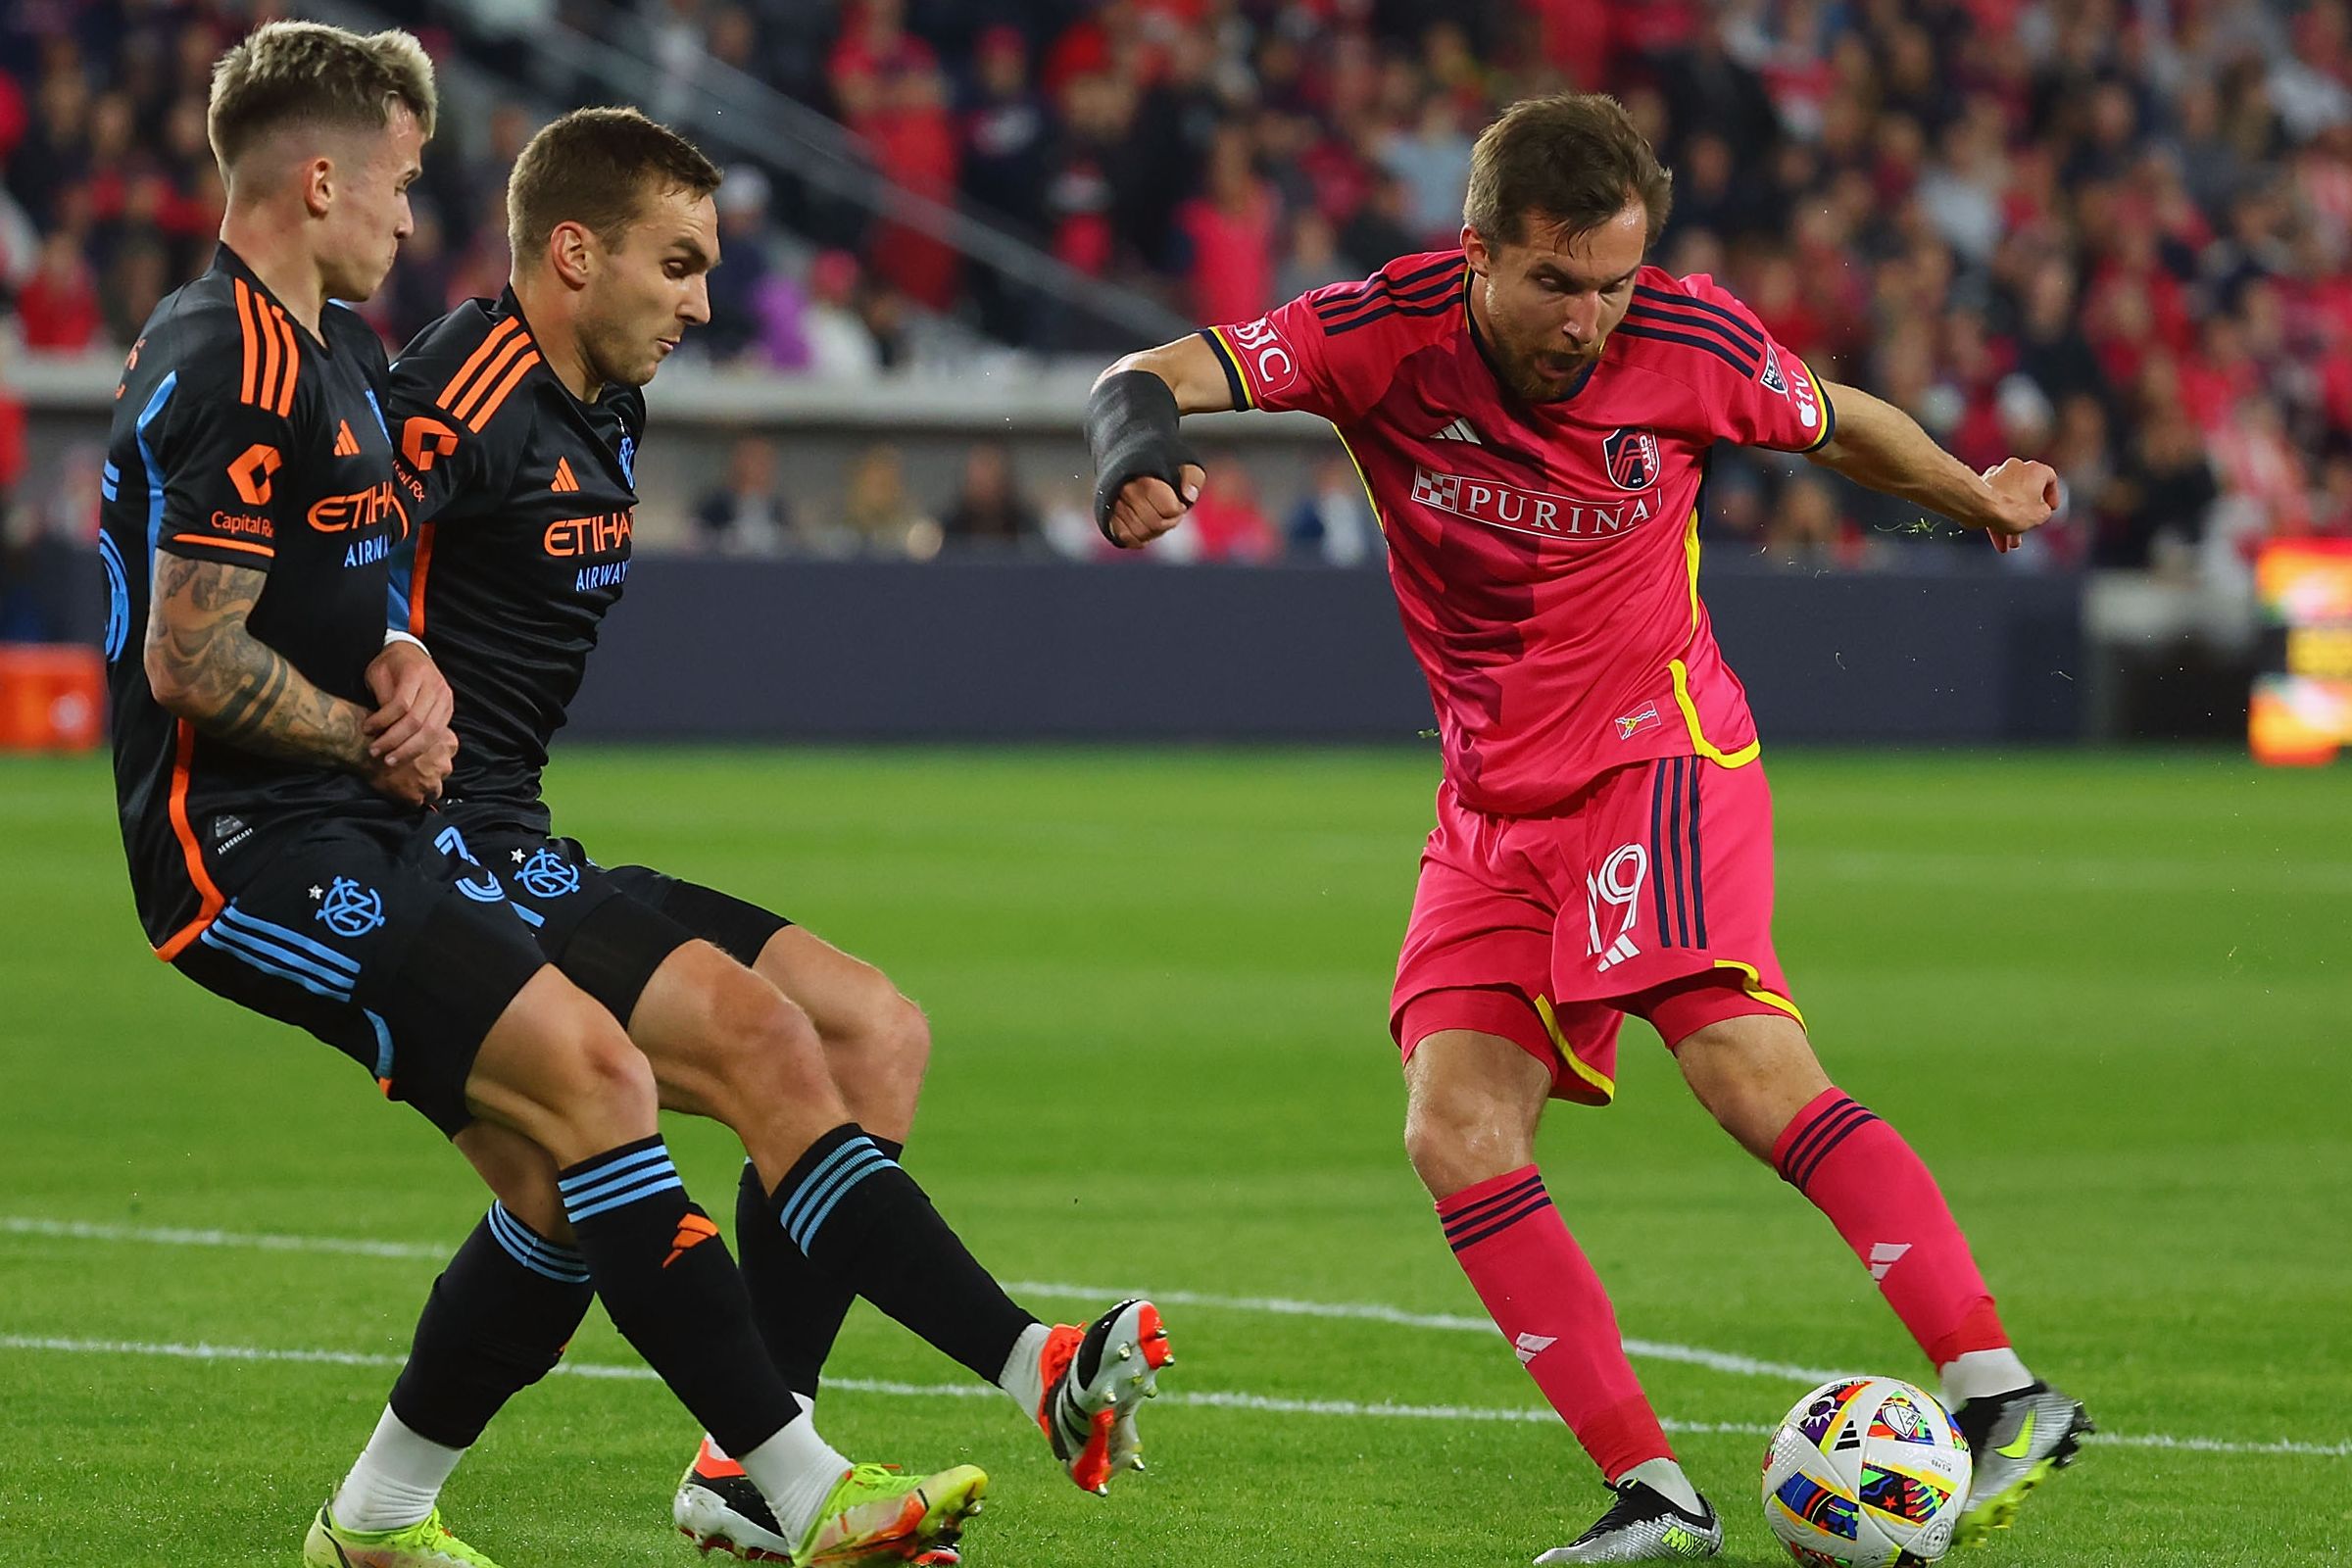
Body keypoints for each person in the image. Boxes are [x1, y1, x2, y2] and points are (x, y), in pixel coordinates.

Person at [1085, 92, 2092, 1563]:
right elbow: (1146, 366)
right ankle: (1656, 1497)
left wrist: (1972, 493)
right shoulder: (1376, 331)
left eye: (1615, 282)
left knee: (1737, 1059)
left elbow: (1835, 421)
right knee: (1456, 1128)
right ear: (1479, 250)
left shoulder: (1687, 344)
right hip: (1491, 796)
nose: (1590, 320)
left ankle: (2001, 1391)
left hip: (1656, 750)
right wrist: (1133, 453)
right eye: (1558, 283)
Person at [96, 27, 979, 1568]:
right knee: (601, 1088)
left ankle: (373, 1524)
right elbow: (189, 657)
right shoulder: (226, 352)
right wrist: (371, 733)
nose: (409, 208)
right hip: (238, 850)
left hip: (347, 819)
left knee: (562, 1191)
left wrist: (395, 655)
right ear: (318, 181)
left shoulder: (334, 357)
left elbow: (355, 573)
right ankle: (796, 1480)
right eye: (396, 178)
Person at [339, 107, 1169, 1567]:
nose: (704, 303)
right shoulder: (459, 387)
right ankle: (1029, 1366)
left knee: (868, 1035)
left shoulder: (605, 402)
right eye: (678, 265)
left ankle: (722, 1467)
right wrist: (384, 682)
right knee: (754, 1053)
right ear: (574, 252)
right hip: (434, 851)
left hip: (522, 834)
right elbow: (346, 566)